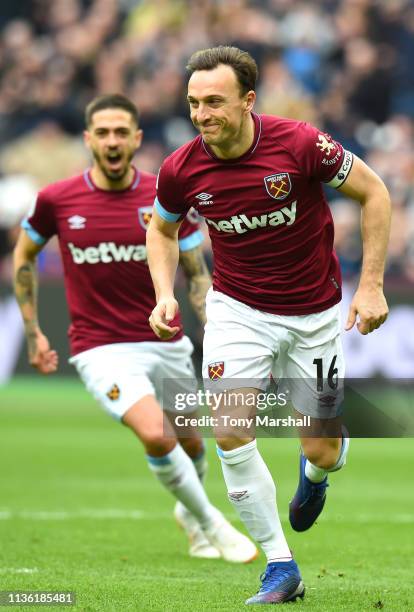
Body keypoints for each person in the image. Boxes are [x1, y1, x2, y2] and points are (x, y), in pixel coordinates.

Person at [146, 47, 391, 604]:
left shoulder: (301, 144)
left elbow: (374, 192)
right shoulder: (182, 168)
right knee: (230, 430)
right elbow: (161, 230)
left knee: (323, 448)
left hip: (315, 316)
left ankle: (316, 474)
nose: (202, 114)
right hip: (238, 310)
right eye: (193, 103)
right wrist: (165, 294)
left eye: (214, 101)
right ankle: (280, 566)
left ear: (248, 100)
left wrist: (371, 284)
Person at [13, 93, 258, 564]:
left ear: (137, 139)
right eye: (102, 132)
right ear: (88, 139)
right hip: (100, 348)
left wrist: (214, 333)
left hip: (164, 341)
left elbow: (196, 273)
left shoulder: (162, 197)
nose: (111, 141)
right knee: (158, 435)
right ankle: (212, 523)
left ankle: (189, 516)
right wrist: (33, 332)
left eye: (121, 132)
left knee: (191, 442)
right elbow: (24, 254)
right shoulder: (56, 200)